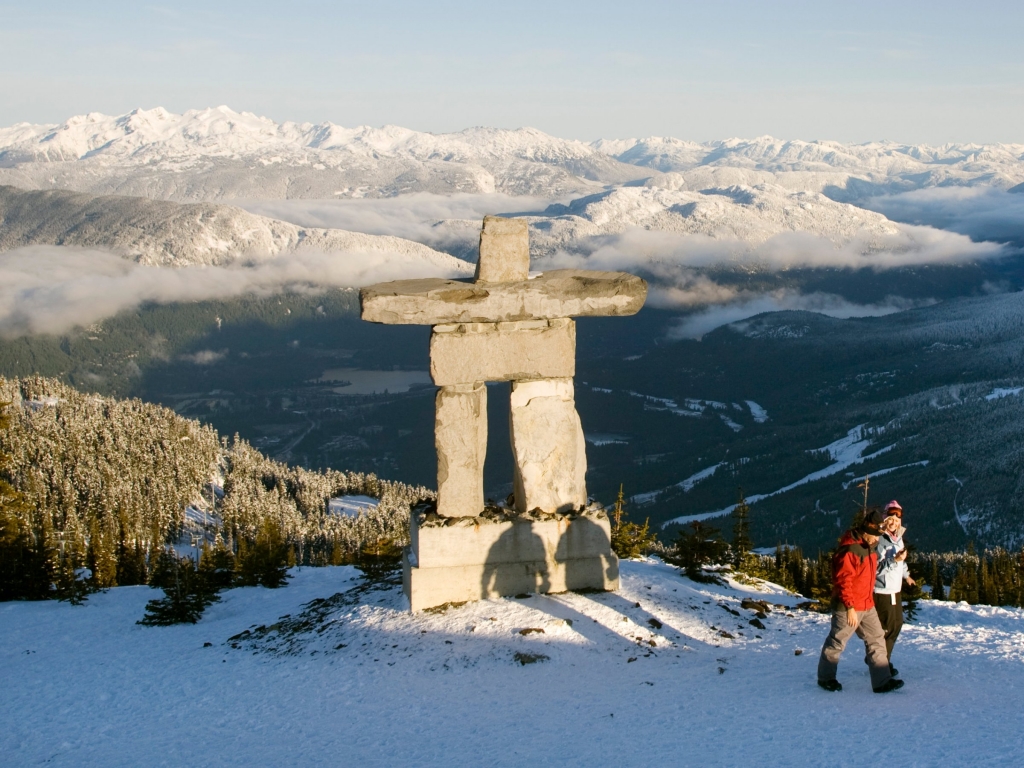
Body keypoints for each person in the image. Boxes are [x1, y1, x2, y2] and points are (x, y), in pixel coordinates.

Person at [817, 510, 904, 694]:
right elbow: (844, 581)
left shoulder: (869, 547)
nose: (877, 540)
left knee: (877, 638)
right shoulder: (850, 550)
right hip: (849, 606)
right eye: (874, 536)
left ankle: (882, 681)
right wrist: (849, 607)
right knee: (837, 640)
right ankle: (826, 678)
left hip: (867, 603)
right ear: (865, 532)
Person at [874, 500, 915, 677]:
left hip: (894, 589)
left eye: (897, 520)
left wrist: (906, 576)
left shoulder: (897, 538)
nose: (894, 522)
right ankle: (880, 663)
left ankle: (878, 659)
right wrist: (894, 561)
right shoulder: (880, 540)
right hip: (883, 591)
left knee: (895, 626)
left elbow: (901, 560)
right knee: (891, 628)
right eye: (891, 519)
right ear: (884, 518)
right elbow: (875, 568)